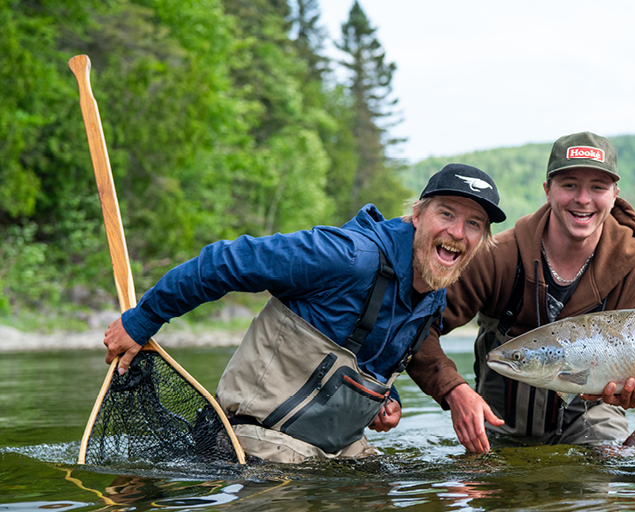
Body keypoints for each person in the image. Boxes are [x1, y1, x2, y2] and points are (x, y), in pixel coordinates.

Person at [102, 164, 506, 463]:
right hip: (255, 445)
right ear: (417, 216)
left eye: (474, 223)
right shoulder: (345, 256)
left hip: (337, 450)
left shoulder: (435, 290)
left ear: (482, 240)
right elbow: (223, 261)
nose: (458, 232)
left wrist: (384, 396)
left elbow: (370, 349)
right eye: (447, 214)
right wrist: (143, 320)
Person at [408, 131, 635, 453]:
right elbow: (416, 325)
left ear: (614, 195)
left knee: (604, 491)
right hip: (496, 428)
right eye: (569, 185)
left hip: (594, 426)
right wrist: (452, 389)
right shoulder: (499, 257)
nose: (583, 199)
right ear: (547, 190)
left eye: (597, 187)